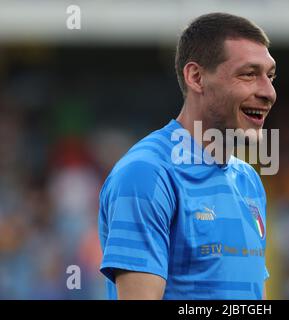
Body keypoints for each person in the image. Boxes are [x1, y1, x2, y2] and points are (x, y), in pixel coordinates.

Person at [98, 12, 277, 300]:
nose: (269, 92)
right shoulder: (148, 174)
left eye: (270, 76)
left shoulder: (249, 181)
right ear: (196, 77)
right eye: (249, 74)